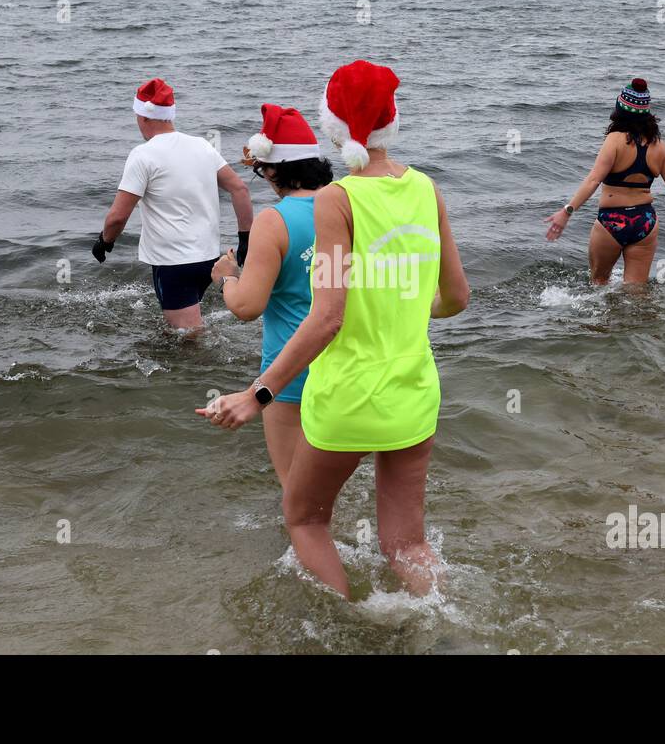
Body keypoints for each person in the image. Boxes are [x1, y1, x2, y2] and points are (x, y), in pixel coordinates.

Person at [196, 60, 470, 599]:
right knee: (407, 544)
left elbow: (328, 317)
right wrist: (403, 307)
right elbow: (457, 297)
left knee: (305, 521)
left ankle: (349, 626)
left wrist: (257, 395)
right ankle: (444, 628)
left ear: (334, 128)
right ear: (394, 120)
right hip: (414, 393)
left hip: (347, 395)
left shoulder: (336, 199)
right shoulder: (427, 189)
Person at [209, 104, 332, 486]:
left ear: (275, 169)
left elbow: (247, 307)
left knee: (297, 491)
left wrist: (226, 278)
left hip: (289, 374)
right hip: (346, 366)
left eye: (263, 170)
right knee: (333, 479)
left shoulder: (273, 220)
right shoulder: (347, 206)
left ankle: (306, 546)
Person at [92, 78, 254, 331]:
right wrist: (246, 237)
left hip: (173, 263)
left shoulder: (143, 155)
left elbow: (117, 217)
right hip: (208, 257)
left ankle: (200, 369)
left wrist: (105, 241)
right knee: (184, 327)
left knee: (188, 335)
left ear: (143, 117)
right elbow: (239, 189)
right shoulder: (202, 145)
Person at [544, 78, 665, 284]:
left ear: (619, 109)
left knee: (598, 284)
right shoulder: (661, 148)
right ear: (646, 113)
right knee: (637, 293)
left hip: (611, 221)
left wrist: (567, 211)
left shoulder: (613, 140)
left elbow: (593, 180)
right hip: (645, 222)